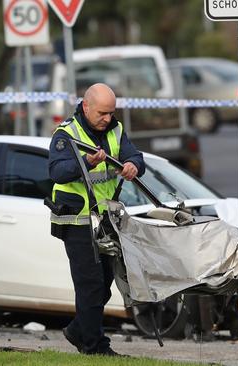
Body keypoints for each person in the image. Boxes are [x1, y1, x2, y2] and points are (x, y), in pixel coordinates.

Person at [48, 83, 145, 356]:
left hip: (104, 220)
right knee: (90, 284)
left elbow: (135, 155)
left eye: (111, 113)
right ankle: (95, 347)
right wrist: (86, 163)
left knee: (102, 285)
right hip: (76, 220)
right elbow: (56, 171)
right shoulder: (66, 134)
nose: (108, 118)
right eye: (102, 113)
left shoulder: (115, 129)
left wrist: (133, 165)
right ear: (86, 106)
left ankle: (78, 331)